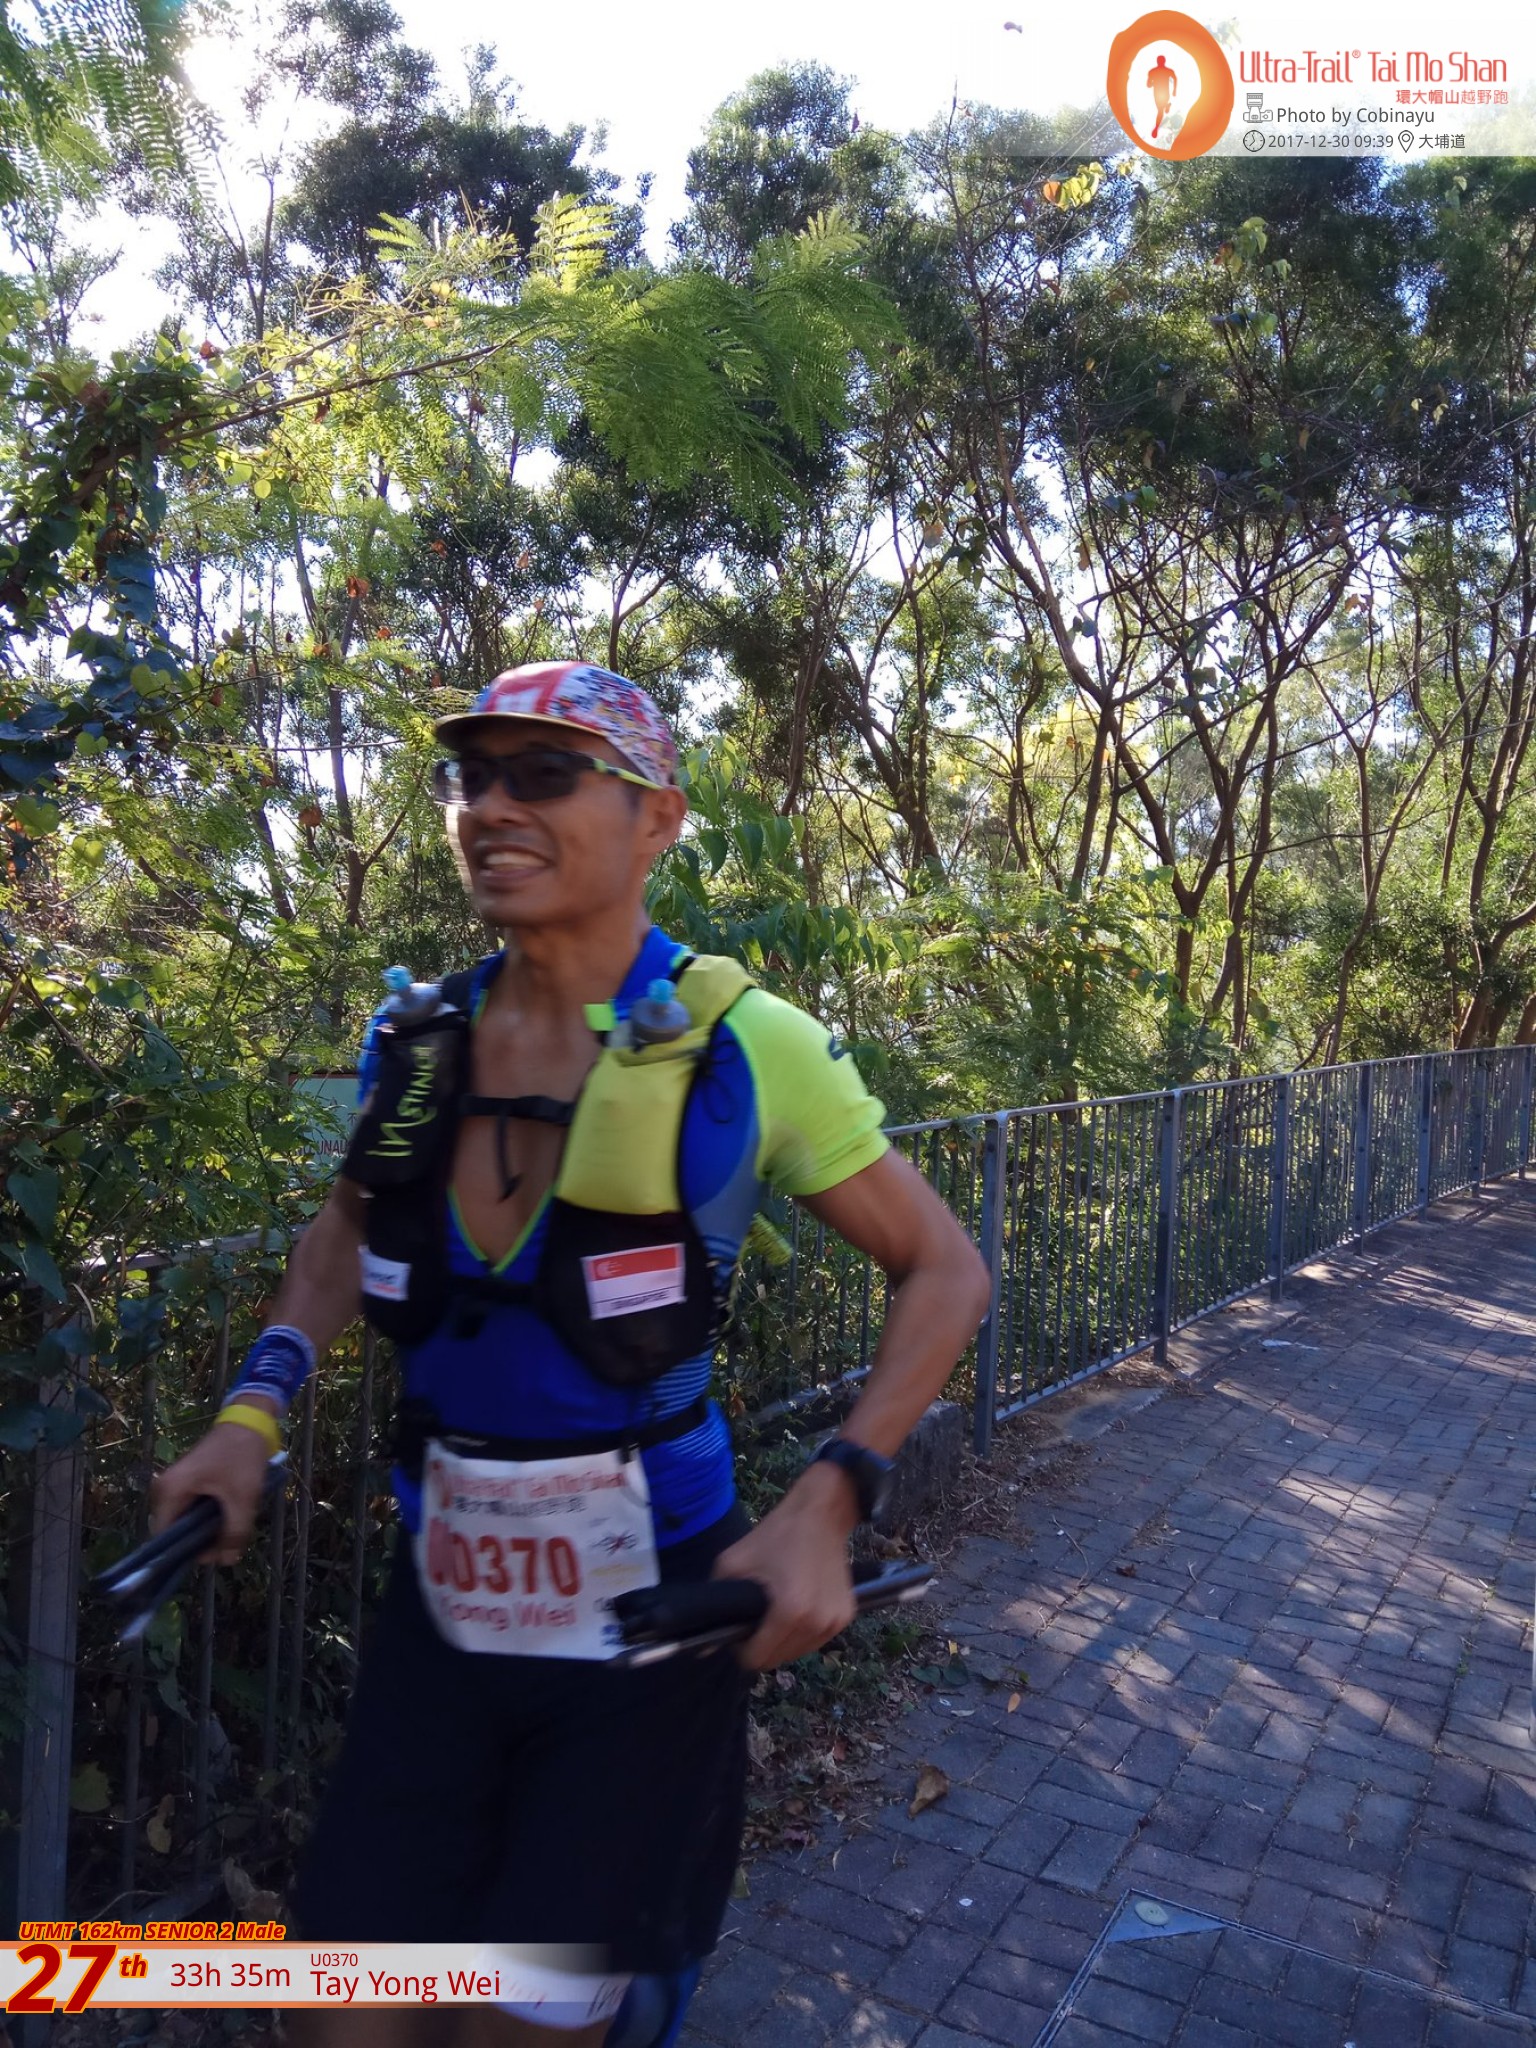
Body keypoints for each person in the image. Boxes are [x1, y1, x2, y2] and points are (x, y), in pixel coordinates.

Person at [150, 661, 992, 2048]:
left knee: (519, 2028)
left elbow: (944, 1269)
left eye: (543, 774)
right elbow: (343, 1234)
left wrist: (826, 1502)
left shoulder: (746, 1046)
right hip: (439, 1615)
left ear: (657, 816)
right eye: (472, 776)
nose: (491, 806)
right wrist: (252, 1413)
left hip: (652, 1631)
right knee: (336, 2016)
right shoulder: (417, 1043)